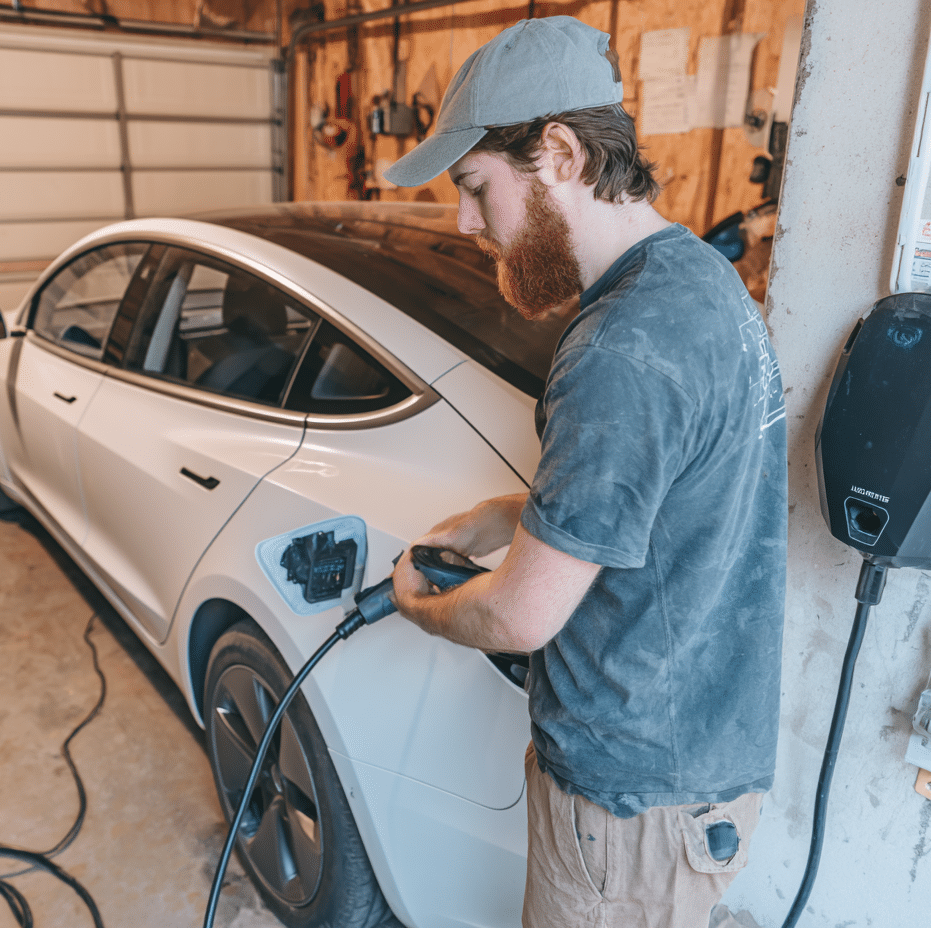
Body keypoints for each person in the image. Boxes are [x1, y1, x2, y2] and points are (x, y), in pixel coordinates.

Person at [385, 16, 788, 928]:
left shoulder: (619, 351)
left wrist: (421, 605)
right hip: (701, 770)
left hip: (627, 811)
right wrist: (507, 512)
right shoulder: (699, 283)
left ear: (559, 154)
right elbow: (675, 491)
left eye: (475, 187)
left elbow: (519, 616)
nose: (463, 221)